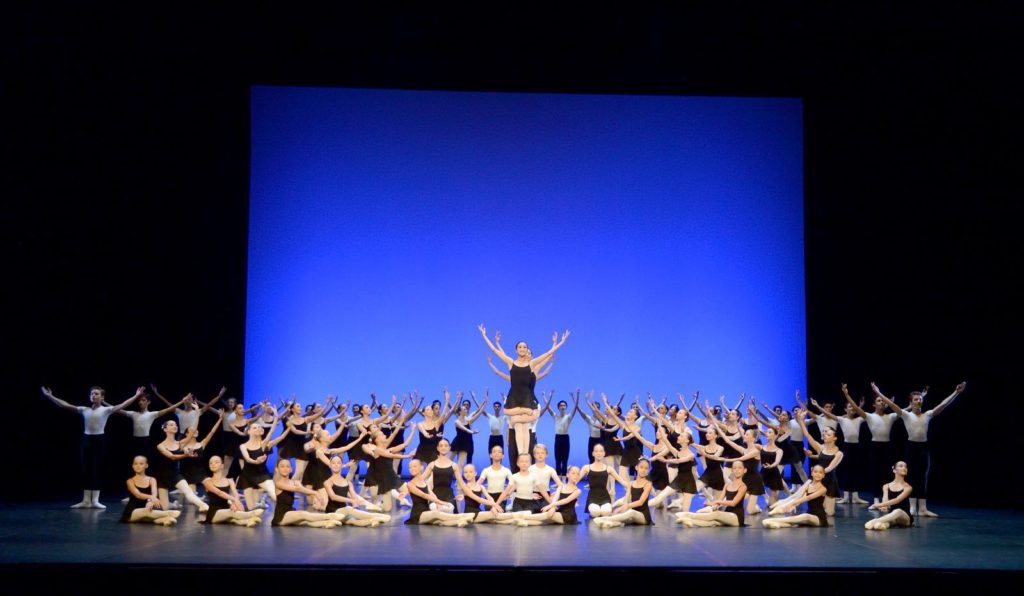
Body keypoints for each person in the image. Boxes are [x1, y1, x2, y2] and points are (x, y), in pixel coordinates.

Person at [872, 381, 966, 517]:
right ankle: (912, 507)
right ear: (911, 402)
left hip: (923, 448)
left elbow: (943, 405)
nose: (918, 401)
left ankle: (922, 508)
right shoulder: (906, 414)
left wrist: (956, 392)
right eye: (916, 399)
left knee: (922, 477)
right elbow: (891, 405)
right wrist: (878, 392)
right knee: (910, 477)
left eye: (920, 399)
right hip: (911, 447)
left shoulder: (927, 414)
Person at [41, 385, 144, 508]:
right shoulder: (85, 409)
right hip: (86, 440)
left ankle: (95, 500)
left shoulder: (106, 410)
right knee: (86, 470)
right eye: (92, 394)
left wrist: (136, 396)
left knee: (96, 469)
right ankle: (85, 500)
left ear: (102, 397)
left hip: (99, 440)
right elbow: (65, 405)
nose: (93, 396)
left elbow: (123, 404)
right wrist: (50, 396)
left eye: (96, 394)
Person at [478, 324, 569, 459]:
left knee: (523, 425)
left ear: (527, 351)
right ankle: (521, 453)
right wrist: (485, 335)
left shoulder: (531, 364)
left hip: (526, 397)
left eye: (524, 347)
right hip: (514, 397)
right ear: (516, 350)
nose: (522, 349)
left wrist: (560, 342)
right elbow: (494, 351)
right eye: (520, 347)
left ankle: (524, 454)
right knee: (516, 423)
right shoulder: (510, 362)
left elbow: (548, 354)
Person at [841, 384, 898, 505]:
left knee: (887, 473)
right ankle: (876, 499)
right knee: (875, 473)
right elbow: (856, 408)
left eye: (883, 401)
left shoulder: (891, 416)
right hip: (875, 447)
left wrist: (885, 398)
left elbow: (904, 410)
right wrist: (846, 394)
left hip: (887, 447)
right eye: (878, 400)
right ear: (874, 404)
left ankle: (885, 498)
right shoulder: (870, 416)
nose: (881, 402)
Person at [152, 419, 210, 513]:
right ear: (165, 429)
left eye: (175, 425)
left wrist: (197, 414)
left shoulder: (180, 443)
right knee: (165, 507)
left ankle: (203, 505)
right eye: (171, 425)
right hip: (162, 476)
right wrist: (185, 455)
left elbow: (192, 432)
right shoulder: (160, 445)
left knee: (188, 491)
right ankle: (174, 504)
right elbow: (172, 456)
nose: (175, 426)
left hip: (175, 474)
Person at [237, 414, 292, 509]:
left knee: (272, 490)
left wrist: (277, 420)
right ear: (249, 431)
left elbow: (272, 433)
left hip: (262, 474)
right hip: (247, 475)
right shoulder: (243, 446)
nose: (257, 429)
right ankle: (260, 504)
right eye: (254, 428)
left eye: (259, 427)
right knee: (251, 508)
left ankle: (287, 508)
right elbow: (247, 459)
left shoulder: (264, 444)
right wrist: (256, 461)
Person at [271, 459, 343, 528]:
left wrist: (316, 499)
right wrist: (315, 493)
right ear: (277, 469)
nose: (285, 468)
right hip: (281, 516)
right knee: (303, 514)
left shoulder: (294, 482)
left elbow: (304, 490)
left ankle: (328, 522)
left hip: (290, 511)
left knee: (306, 521)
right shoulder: (278, 483)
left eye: (287, 466)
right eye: (282, 466)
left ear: (291, 469)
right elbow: (298, 489)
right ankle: (330, 516)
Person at [323, 455, 392, 527]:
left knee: (353, 520)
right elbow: (333, 497)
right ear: (330, 465)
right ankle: (379, 516)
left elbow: (354, 497)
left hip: (344, 511)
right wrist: (351, 501)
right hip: (333, 511)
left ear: (342, 465)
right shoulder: (328, 482)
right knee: (349, 509)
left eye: (338, 463)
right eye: (333, 463)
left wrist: (356, 502)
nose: (336, 465)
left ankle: (373, 520)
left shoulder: (348, 482)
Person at [676, 460, 748, 528]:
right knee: (713, 522)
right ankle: (690, 521)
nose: (737, 470)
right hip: (727, 513)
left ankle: (689, 515)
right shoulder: (727, 485)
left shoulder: (743, 486)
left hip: (736, 517)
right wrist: (714, 505)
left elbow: (733, 503)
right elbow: (720, 500)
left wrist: (716, 502)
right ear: (732, 470)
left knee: (717, 514)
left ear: (744, 470)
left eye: (740, 468)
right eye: (734, 468)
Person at [404, 459, 475, 526]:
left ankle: (460, 521)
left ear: (421, 467)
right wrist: (442, 502)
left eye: (415, 466)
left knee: (440, 521)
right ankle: (463, 516)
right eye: (410, 467)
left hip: (426, 511)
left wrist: (437, 503)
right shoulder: (410, 484)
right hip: (418, 514)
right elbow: (424, 495)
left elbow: (432, 494)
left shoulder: (424, 482)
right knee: (436, 514)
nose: (412, 469)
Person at [201, 455, 265, 526]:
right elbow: (219, 492)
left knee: (234, 520)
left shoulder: (229, 480)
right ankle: (252, 514)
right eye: (211, 463)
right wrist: (234, 500)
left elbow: (235, 493)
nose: (213, 464)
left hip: (226, 507)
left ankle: (249, 521)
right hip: (214, 512)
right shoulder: (207, 481)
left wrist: (235, 503)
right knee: (231, 513)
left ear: (222, 465)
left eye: (216, 462)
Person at [762, 464, 830, 529]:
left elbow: (808, 497)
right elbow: (799, 497)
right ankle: (776, 524)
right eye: (815, 472)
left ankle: (773, 520)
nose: (817, 474)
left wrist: (793, 503)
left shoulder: (823, 489)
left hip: (818, 518)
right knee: (795, 522)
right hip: (810, 512)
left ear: (823, 475)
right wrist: (793, 505)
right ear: (812, 473)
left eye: (820, 472)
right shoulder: (808, 485)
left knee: (805, 516)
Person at [512, 465, 583, 526]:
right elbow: (555, 498)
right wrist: (553, 507)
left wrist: (550, 506)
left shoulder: (577, 491)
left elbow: (565, 500)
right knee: (543, 521)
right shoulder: (561, 487)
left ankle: (522, 517)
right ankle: (520, 522)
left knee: (546, 515)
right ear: (568, 474)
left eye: (578, 474)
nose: (576, 476)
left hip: (568, 515)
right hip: (560, 512)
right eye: (573, 473)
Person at [591, 458, 654, 528]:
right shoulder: (631, 483)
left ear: (648, 470)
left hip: (643, 516)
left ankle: (604, 519)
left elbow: (640, 502)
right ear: (636, 468)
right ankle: (609, 524)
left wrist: (627, 506)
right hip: (632, 512)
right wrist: (621, 509)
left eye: (646, 468)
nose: (643, 470)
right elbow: (626, 499)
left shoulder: (648, 484)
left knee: (630, 513)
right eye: (641, 467)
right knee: (622, 516)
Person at [119, 456, 180, 525]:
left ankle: (165, 520)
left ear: (146, 465)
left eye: (141, 464)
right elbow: (138, 495)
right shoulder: (130, 481)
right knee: (145, 512)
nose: (138, 466)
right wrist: (151, 497)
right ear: (132, 466)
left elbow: (154, 493)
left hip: (148, 508)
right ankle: (167, 513)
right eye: (135, 464)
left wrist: (151, 502)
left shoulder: (152, 479)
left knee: (150, 514)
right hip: (132, 512)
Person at [455, 463, 520, 524]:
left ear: (475, 473)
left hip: (479, 511)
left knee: (495, 520)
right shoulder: (466, 487)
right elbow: (479, 499)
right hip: (471, 513)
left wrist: (493, 507)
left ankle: (516, 520)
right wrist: (495, 505)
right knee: (495, 516)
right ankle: (519, 516)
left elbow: (489, 497)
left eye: (470, 472)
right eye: (465, 472)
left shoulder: (481, 487)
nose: (468, 474)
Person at [865, 461, 914, 530]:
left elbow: (897, 500)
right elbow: (885, 498)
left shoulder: (908, 487)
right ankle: (879, 524)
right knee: (878, 526)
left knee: (898, 511)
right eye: (901, 466)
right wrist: (884, 506)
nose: (904, 468)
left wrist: (880, 504)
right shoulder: (886, 486)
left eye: (906, 467)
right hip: (892, 516)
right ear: (894, 470)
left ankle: (874, 521)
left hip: (905, 517)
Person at [546, 390, 579, 481]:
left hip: (565, 438)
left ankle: (563, 480)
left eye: (564, 405)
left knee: (564, 460)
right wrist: (549, 396)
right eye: (561, 405)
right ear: (558, 408)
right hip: (558, 438)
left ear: (566, 407)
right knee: (558, 460)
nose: (562, 407)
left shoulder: (568, 417)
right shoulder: (555, 416)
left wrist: (576, 396)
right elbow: (548, 407)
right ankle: (558, 481)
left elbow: (575, 407)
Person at [452, 393, 487, 470]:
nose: (466, 407)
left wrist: (485, 402)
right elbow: (454, 409)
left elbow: (479, 411)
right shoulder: (457, 419)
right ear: (460, 411)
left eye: (467, 405)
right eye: (464, 406)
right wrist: (459, 399)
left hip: (468, 440)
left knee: (465, 460)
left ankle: (465, 477)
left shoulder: (470, 417)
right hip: (458, 439)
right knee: (451, 460)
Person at [477, 444, 514, 509]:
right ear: (490, 455)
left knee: (499, 513)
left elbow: (513, 483)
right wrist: (486, 495)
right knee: (489, 513)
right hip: (489, 497)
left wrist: (508, 494)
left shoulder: (506, 470)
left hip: (502, 496)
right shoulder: (486, 470)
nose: (497, 453)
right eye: (494, 451)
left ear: (503, 456)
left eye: (499, 452)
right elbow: (478, 484)